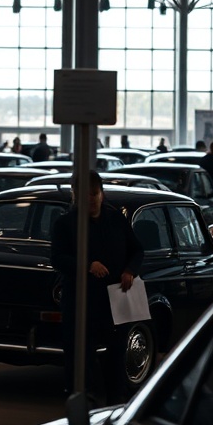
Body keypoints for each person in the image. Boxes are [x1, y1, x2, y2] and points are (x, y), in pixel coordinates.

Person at [50, 171, 144, 404]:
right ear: (75, 196)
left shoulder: (116, 219)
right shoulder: (65, 224)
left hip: (115, 298)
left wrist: (130, 270)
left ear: (102, 194)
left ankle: (115, 401)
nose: (91, 199)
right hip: (81, 299)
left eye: (95, 194)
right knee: (80, 354)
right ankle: (83, 399)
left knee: (116, 352)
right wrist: (87, 265)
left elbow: (137, 250)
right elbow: (57, 259)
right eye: (85, 195)